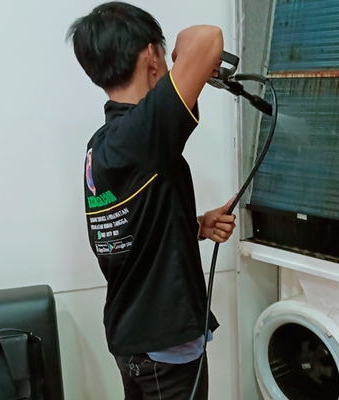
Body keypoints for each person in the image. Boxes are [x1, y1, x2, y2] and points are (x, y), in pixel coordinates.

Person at [67, 2, 236, 399]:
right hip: (164, 347)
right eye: (159, 49)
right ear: (149, 55)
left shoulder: (103, 144)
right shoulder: (141, 132)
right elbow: (207, 38)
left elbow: (131, 227)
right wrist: (177, 56)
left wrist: (196, 225)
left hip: (132, 336)